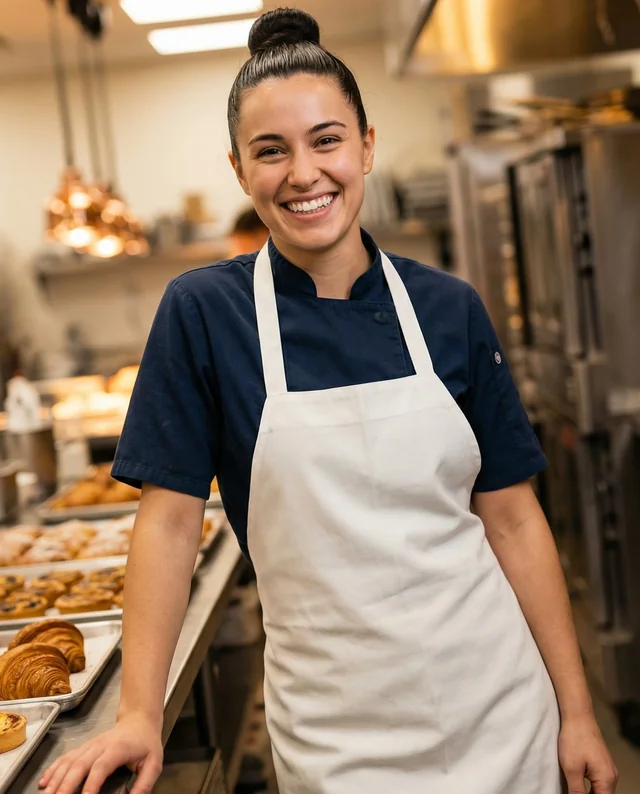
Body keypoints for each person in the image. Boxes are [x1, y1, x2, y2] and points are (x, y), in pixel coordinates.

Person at [40, 9, 618, 794]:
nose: (303, 173)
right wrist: (138, 714)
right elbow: (170, 528)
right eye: (270, 151)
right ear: (240, 171)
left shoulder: (448, 307)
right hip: (337, 736)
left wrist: (576, 710)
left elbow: (513, 518)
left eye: (327, 139)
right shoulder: (206, 314)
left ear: (367, 145)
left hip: (502, 710)